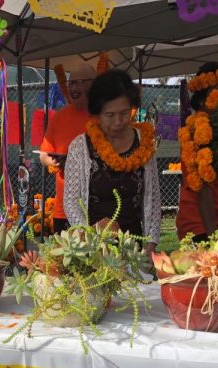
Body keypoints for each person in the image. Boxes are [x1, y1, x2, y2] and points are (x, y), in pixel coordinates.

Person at [63, 69, 161, 251]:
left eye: (124, 113)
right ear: (97, 114)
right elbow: (71, 201)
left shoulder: (145, 143)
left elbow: (153, 199)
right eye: (109, 115)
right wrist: (90, 237)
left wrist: (150, 245)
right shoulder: (80, 147)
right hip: (93, 247)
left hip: (135, 247)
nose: (118, 121)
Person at [176, 62, 218, 243]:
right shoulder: (198, 132)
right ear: (203, 98)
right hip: (203, 228)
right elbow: (204, 192)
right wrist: (213, 241)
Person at [39, 63, 97, 233]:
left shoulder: (104, 115)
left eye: (79, 82)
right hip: (64, 209)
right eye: (71, 83)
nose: (73, 87)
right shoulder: (58, 117)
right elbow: (43, 155)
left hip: (97, 208)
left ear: (93, 84)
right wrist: (55, 161)